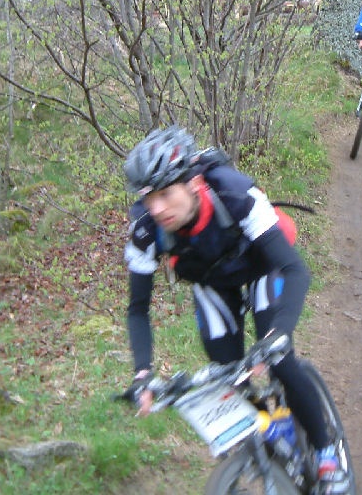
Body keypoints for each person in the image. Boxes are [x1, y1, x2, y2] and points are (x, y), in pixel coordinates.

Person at [121, 126, 349, 494]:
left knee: (280, 360)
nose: (157, 208)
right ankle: (269, 429)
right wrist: (142, 374)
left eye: (166, 194)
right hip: (213, 281)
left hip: (263, 265)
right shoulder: (146, 231)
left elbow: (294, 269)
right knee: (227, 375)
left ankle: (326, 453)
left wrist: (279, 334)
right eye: (150, 198)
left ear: (193, 183)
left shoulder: (235, 193)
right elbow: (137, 309)